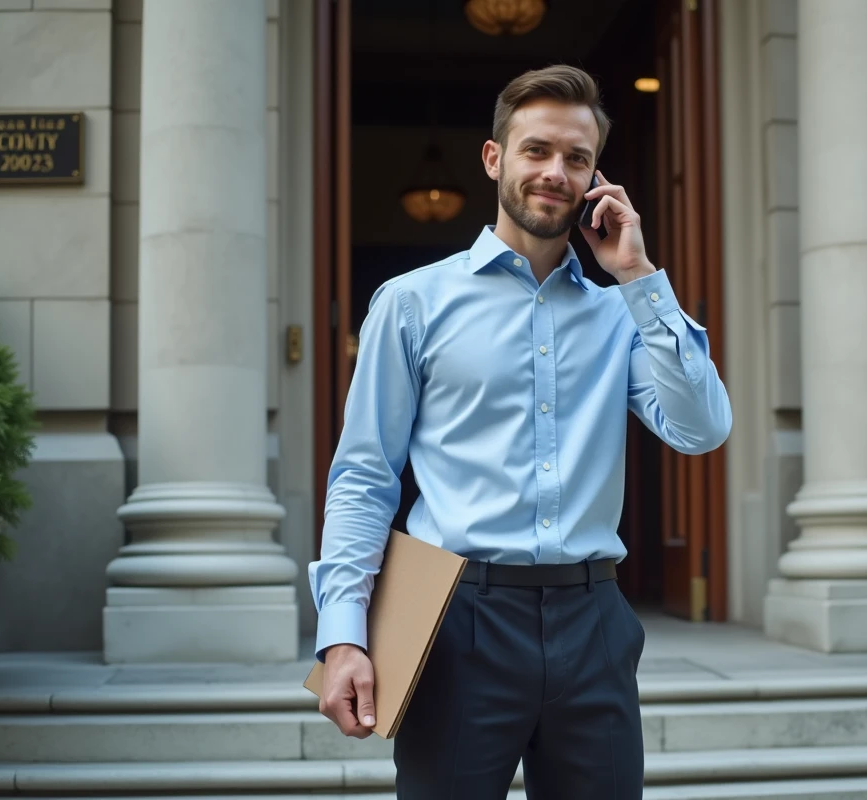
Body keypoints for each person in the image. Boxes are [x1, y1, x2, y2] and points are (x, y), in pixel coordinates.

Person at [308, 64, 731, 800]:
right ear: (494, 158)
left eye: (576, 158)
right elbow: (365, 477)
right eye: (536, 150)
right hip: (456, 621)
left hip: (593, 620)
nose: (555, 172)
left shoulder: (622, 313)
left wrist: (638, 276)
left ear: (596, 175)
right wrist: (343, 633)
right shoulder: (412, 304)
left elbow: (702, 429)